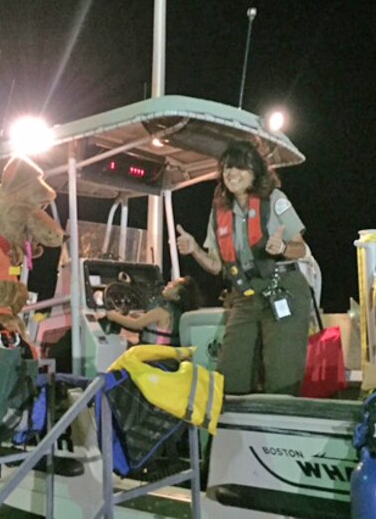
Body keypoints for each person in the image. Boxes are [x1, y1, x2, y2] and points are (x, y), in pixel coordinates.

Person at [176, 140, 311, 396]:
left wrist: (281, 248)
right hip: (244, 297)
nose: (231, 173)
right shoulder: (219, 211)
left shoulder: (275, 200)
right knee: (230, 379)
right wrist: (194, 249)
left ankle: (280, 428)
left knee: (282, 380)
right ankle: (236, 433)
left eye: (239, 167)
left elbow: (300, 249)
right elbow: (216, 266)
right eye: (227, 168)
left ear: (255, 172)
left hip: (283, 291)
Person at [103, 276, 202, 346]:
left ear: (177, 297)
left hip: (152, 354)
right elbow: (148, 320)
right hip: (166, 355)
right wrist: (133, 315)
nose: (168, 283)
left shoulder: (162, 311)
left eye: (173, 285)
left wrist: (112, 316)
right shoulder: (177, 313)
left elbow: (136, 324)